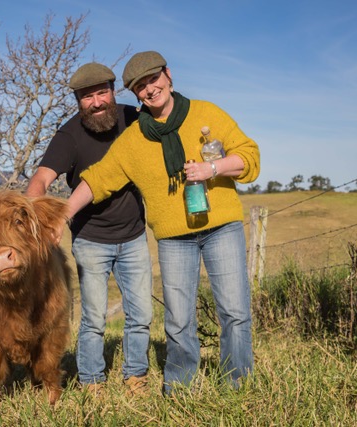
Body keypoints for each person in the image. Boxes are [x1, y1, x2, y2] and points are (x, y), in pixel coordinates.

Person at [64, 51, 260, 394]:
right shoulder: (134, 140)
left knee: (234, 312)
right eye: (140, 86)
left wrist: (211, 168)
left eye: (153, 79)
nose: (149, 89)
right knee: (179, 320)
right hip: (174, 239)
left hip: (222, 228)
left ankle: (237, 386)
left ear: (168, 76)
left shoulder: (206, 113)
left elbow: (249, 157)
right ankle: (181, 387)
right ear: (135, 94)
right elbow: (97, 179)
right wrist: (61, 216)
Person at [26, 62, 153, 395]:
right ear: (77, 101)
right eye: (87, 96)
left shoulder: (134, 119)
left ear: (113, 91)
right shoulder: (69, 135)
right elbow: (40, 180)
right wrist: (40, 221)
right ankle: (92, 382)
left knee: (141, 314)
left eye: (102, 93)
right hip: (91, 240)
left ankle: (136, 376)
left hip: (135, 236)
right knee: (94, 319)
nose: (96, 102)